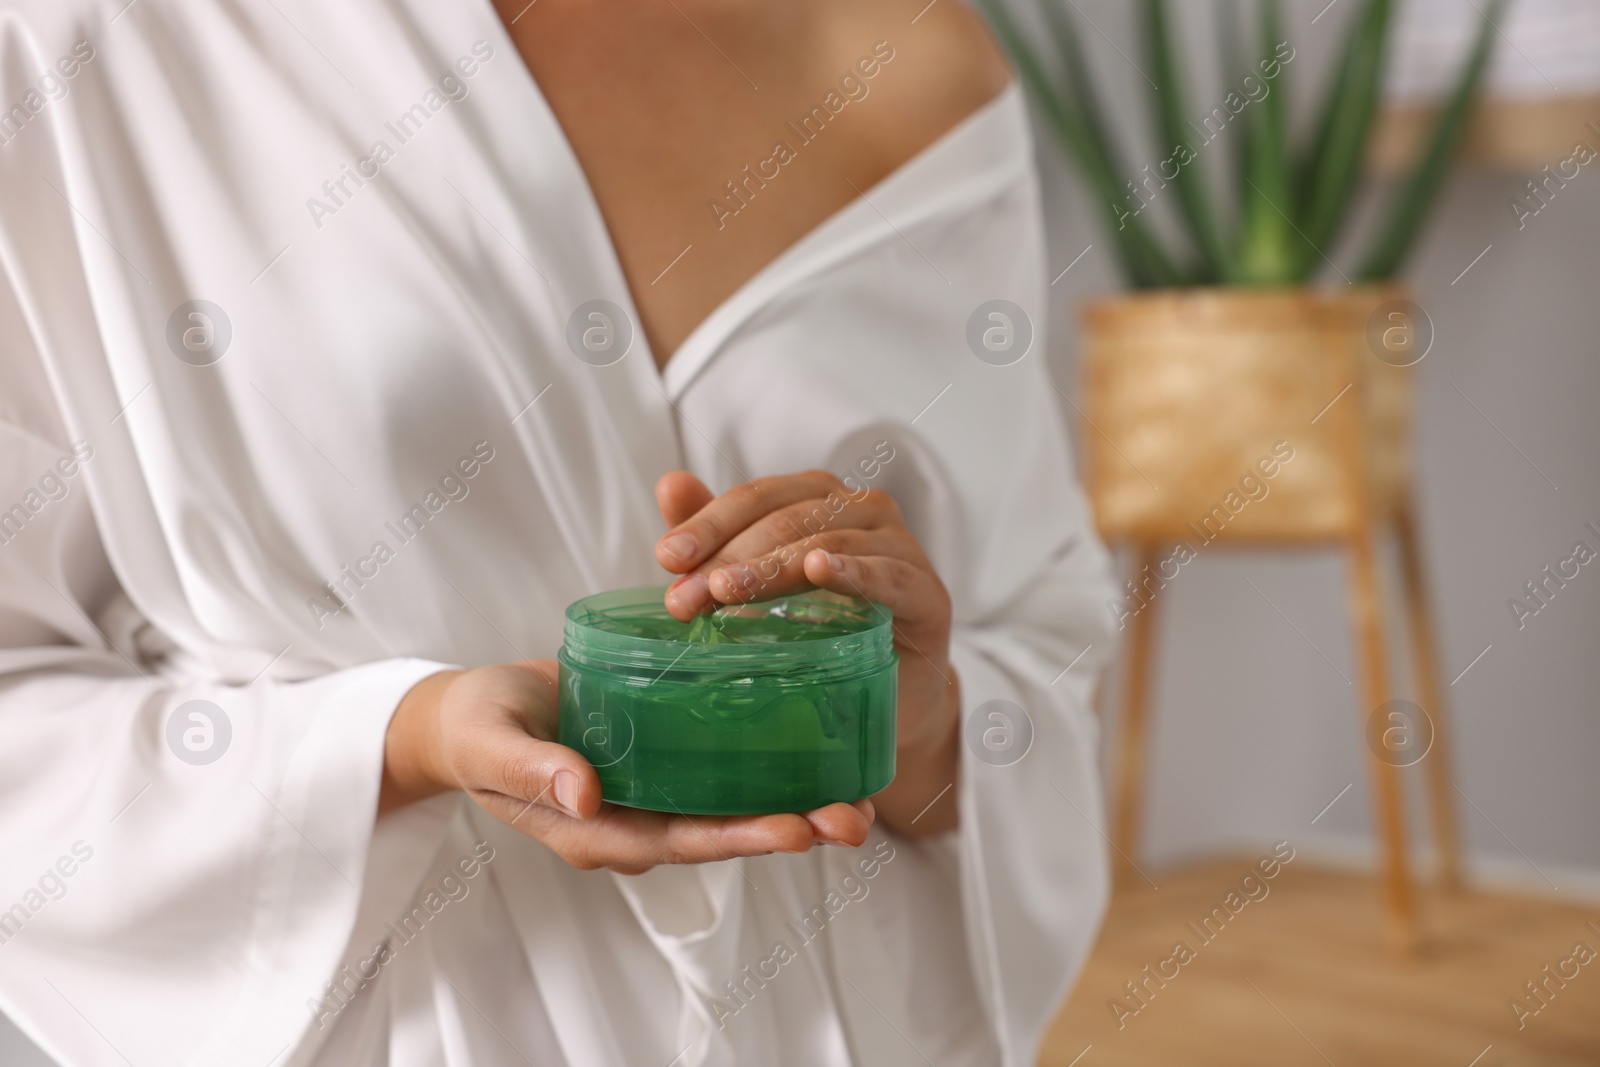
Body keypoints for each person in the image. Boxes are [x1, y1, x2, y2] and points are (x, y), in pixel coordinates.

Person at [0, 0, 1117, 1063]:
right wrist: (404, 736)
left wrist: (919, 724)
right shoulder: (90, 48)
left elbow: (1049, 642)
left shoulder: (909, 53)